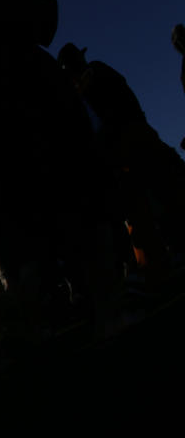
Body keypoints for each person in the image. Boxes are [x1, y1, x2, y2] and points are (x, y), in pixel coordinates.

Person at [59, 43, 185, 271]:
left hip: (127, 144)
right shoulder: (92, 79)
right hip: (131, 141)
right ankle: (162, 260)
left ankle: (162, 260)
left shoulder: (86, 85)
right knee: (157, 196)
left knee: (154, 198)